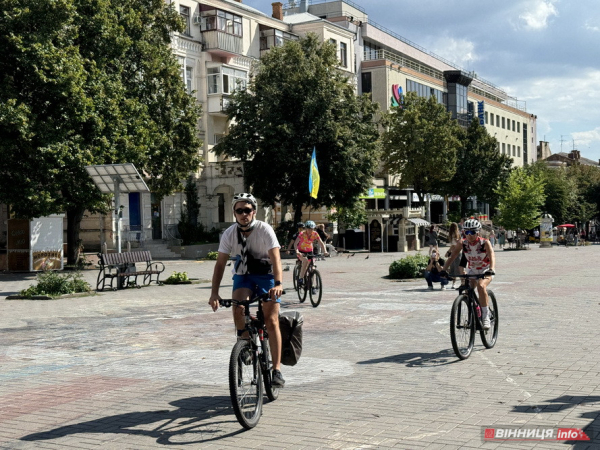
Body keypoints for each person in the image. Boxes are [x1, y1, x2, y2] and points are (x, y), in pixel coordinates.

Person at [208, 193, 285, 388]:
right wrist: (214, 293)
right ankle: (245, 346)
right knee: (238, 309)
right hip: (243, 275)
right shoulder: (230, 233)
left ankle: (276, 370)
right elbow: (219, 264)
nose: (244, 214)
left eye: (247, 210)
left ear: (254, 212)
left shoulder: (264, 229)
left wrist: (278, 283)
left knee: (271, 319)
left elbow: (276, 258)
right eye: (239, 211)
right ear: (234, 213)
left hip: (266, 275)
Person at [442, 218, 496, 330]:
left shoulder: (485, 243)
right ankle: (476, 311)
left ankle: (486, 316)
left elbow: (492, 256)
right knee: (468, 291)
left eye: (472, 232)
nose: (469, 235)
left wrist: (491, 268)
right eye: (467, 232)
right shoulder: (462, 243)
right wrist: (444, 269)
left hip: (485, 270)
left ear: (478, 232)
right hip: (472, 270)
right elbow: (452, 257)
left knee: (481, 286)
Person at [293, 220, 328, 289]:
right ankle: (300, 278)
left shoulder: (315, 234)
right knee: (305, 261)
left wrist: (325, 251)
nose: (310, 231)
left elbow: (321, 243)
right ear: (306, 228)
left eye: (312, 229)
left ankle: (311, 285)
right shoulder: (302, 234)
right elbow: (295, 244)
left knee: (312, 267)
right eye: (308, 229)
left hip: (310, 251)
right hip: (301, 251)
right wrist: (297, 251)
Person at [446, 222, 462, 289]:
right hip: (457, 253)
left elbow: (453, 245)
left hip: (455, 253)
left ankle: (456, 283)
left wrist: (448, 252)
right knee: (456, 268)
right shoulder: (458, 234)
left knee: (456, 268)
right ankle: (457, 283)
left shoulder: (454, 235)